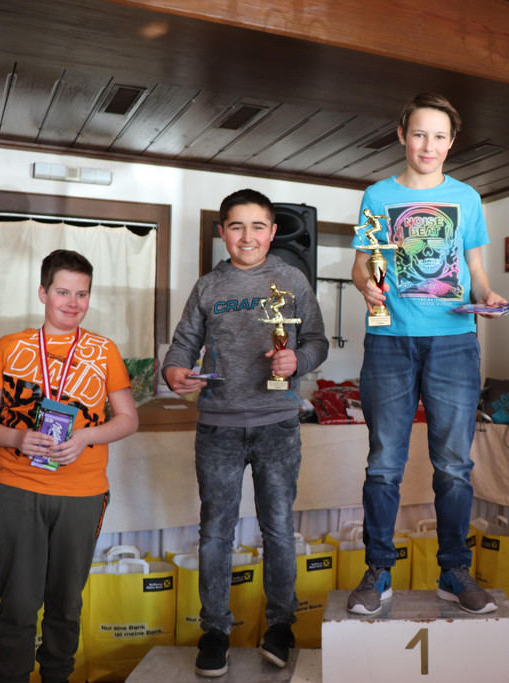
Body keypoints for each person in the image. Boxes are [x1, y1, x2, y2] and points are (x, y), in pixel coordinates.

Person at [347, 92, 507, 616]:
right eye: (419, 134)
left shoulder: (467, 197)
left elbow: (475, 270)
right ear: (402, 135)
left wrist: (488, 295)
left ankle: (454, 571)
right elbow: (362, 262)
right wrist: (366, 284)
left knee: (455, 466)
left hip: (455, 340)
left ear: (451, 142)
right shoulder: (377, 195)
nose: (428, 145)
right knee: (383, 465)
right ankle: (378, 571)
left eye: (439, 136)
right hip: (389, 340)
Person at [163, 188, 328, 677]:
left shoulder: (292, 279)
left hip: (278, 424)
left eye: (258, 226)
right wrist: (175, 372)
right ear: (223, 233)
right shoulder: (208, 286)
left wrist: (299, 360)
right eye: (237, 226)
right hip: (219, 428)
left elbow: (317, 341)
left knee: (278, 528)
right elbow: (182, 346)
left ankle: (281, 625)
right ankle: (215, 631)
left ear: (273, 232)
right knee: (215, 532)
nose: (248, 236)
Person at [0, 249, 139, 683]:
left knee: (66, 604)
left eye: (82, 294)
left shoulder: (104, 350)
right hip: (18, 488)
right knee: (19, 604)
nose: (73, 303)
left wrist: (85, 437)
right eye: (63, 292)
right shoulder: (10, 346)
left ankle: (57, 677)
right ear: (43, 293)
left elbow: (128, 419)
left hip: (82, 493)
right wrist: (17, 438)